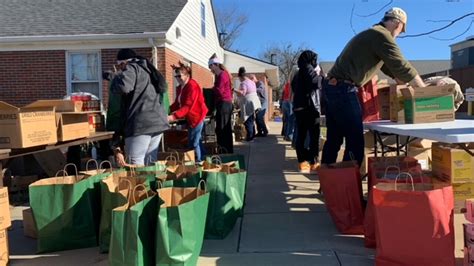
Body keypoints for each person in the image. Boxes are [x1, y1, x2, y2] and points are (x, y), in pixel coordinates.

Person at [321, 7, 426, 167]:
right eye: (401, 30)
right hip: (343, 89)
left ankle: (329, 183)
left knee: (335, 138)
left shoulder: (371, 35)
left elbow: (391, 69)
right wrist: (425, 93)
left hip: (333, 87)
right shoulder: (381, 35)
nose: (400, 34)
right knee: (355, 140)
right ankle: (347, 187)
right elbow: (402, 66)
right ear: (397, 24)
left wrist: (403, 85)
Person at [110, 48, 169, 166]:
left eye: (119, 65)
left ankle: (139, 185)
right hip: (157, 122)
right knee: (150, 164)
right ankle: (152, 185)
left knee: (135, 164)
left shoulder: (132, 67)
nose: (120, 68)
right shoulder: (147, 70)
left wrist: (113, 78)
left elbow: (124, 87)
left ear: (123, 62)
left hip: (140, 124)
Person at [168, 61, 209, 162]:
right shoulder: (181, 87)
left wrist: (174, 116)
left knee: (193, 143)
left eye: (179, 76)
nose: (177, 78)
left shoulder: (192, 86)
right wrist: (168, 110)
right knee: (196, 140)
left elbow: (188, 105)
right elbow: (178, 103)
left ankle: (198, 162)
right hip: (191, 118)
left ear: (187, 75)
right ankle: (205, 160)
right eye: (175, 76)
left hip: (197, 116)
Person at [291, 50, 323, 173]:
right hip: (309, 107)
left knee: (301, 135)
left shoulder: (298, 73)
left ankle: (302, 162)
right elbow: (315, 82)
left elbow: (294, 87)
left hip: (299, 108)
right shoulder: (308, 68)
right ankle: (314, 162)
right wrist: (322, 77)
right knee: (314, 136)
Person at [209, 54, 234, 153]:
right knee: (223, 128)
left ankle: (225, 150)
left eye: (210, 66)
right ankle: (225, 149)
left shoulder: (222, 75)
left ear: (215, 65)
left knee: (223, 129)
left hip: (224, 104)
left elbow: (219, 91)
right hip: (223, 103)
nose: (210, 69)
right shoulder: (220, 75)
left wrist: (212, 89)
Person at [236, 67, 261, 141]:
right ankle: (252, 135)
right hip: (254, 103)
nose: (239, 80)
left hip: (248, 104)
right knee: (251, 120)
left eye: (239, 78)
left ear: (241, 77)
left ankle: (250, 137)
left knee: (247, 121)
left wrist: (234, 90)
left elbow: (242, 93)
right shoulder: (251, 81)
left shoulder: (244, 83)